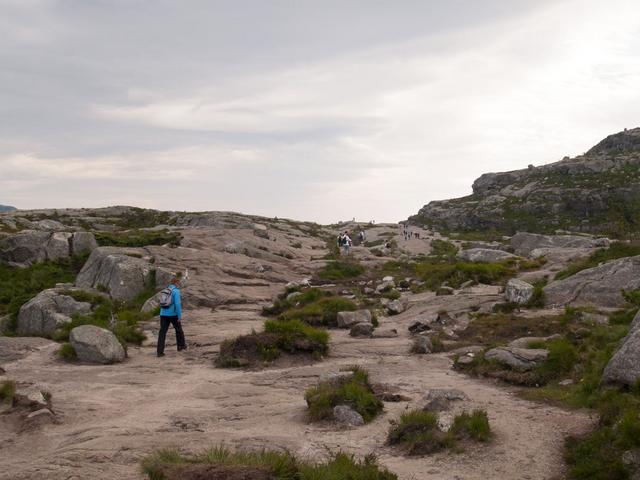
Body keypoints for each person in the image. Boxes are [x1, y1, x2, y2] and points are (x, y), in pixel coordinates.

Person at [157, 277, 186, 357]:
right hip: (173, 314)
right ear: (176, 283)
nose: (179, 285)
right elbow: (177, 304)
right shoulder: (176, 291)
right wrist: (179, 316)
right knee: (179, 330)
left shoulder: (165, 290)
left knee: (162, 333)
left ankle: (159, 352)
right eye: (178, 283)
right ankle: (181, 346)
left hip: (163, 314)